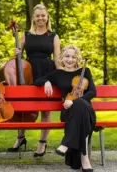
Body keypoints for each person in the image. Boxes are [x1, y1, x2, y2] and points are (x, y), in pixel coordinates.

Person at [7, 4, 60, 158]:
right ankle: (20, 138)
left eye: (43, 15)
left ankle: (42, 142)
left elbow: (57, 58)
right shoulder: (26, 35)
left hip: (47, 72)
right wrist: (16, 51)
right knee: (23, 107)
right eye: (37, 16)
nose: (40, 18)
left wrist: (61, 74)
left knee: (45, 109)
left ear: (47, 17)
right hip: (29, 72)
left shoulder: (53, 36)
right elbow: (17, 55)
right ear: (33, 18)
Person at [33, 44, 96, 172]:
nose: (70, 59)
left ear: (77, 58)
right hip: (68, 112)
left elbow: (93, 92)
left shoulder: (85, 71)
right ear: (62, 57)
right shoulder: (58, 74)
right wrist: (47, 81)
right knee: (80, 117)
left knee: (79, 104)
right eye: (67, 56)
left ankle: (66, 144)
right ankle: (85, 159)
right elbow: (37, 80)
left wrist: (76, 101)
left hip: (86, 110)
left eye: (73, 57)